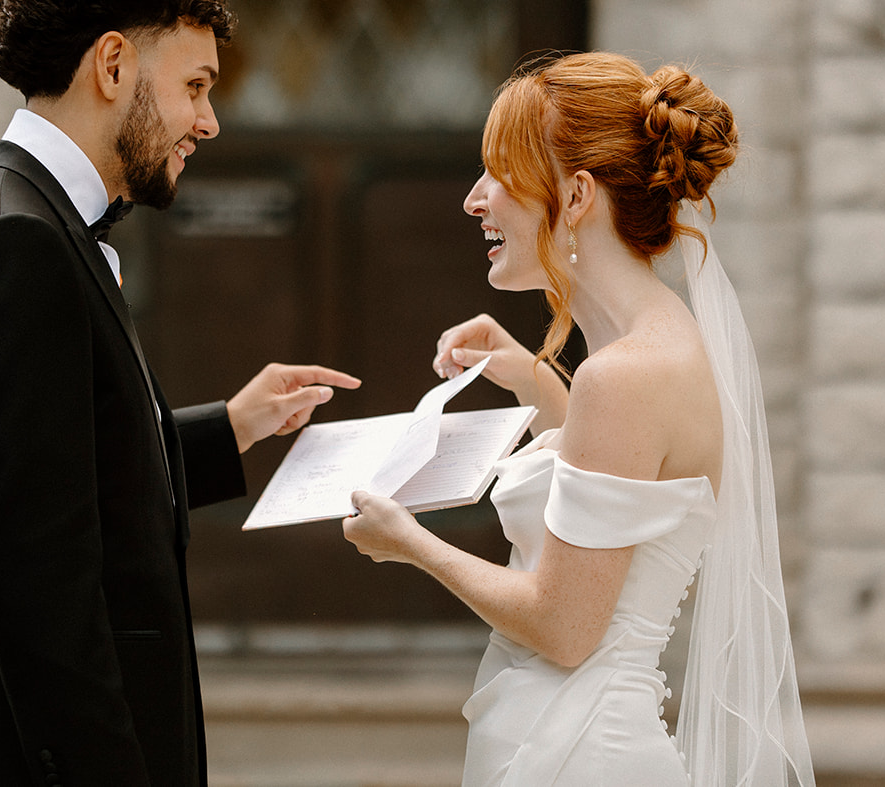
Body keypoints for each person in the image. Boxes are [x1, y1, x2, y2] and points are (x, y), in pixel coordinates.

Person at [0, 0, 359, 787]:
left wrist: (233, 427)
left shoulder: (0, 212)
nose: (208, 121)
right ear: (112, 66)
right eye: (196, 86)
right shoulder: (14, 245)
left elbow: (58, 475)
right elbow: (37, 577)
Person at [343, 53, 814, 786]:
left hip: (580, 754)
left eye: (499, 173)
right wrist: (530, 376)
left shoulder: (622, 375)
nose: (475, 200)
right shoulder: (657, 343)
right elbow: (622, 487)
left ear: (578, 193)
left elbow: (564, 626)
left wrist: (411, 543)